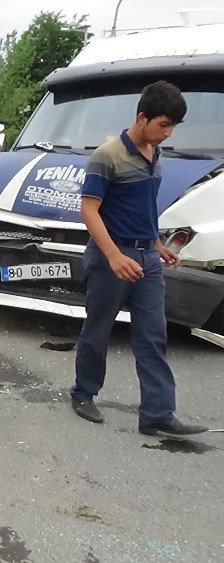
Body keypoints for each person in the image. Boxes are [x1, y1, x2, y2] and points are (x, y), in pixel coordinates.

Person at [71, 80, 208, 438]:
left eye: (173, 125)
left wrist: (156, 243)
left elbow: (142, 207)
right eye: (163, 124)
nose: (168, 132)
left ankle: (157, 413)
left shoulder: (155, 155)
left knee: (152, 334)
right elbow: (89, 210)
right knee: (98, 330)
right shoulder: (107, 156)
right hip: (110, 258)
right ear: (142, 117)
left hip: (146, 257)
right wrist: (114, 255)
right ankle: (83, 393)